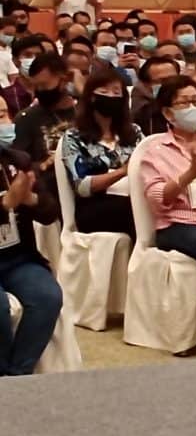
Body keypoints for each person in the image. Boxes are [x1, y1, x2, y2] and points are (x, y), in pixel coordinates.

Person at [140, 76, 196, 308]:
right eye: (184, 103)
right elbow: (157, 199)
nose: (193, 108)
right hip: (178, 224)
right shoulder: (155, 150)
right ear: (168, 113)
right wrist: (189, 174)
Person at [0, 98, 63, 376]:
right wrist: (5, 204)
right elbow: (7, 203)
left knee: (48, 297)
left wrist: (30, 199)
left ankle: (18, 375)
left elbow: (50, 213)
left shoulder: (17, 161)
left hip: (17, 258)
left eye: (4, 114)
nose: (3, 123)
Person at [61, 70, 142, 239]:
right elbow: (82, 187)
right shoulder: (74, 137)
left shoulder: (134, 132)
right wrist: (123, 171)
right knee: (134, 209)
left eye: (116, 92)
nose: (111, 96)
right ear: (91, 97)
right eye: (104, 91)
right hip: (96, 205)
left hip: (134, 194)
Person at [15, 54, 77, 195]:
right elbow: (18, 164)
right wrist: (45, 165)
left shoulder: (85, 112)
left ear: (64, 80)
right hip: (48, 190)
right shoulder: (27, 118)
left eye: (44, 85)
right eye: (36, 86)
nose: (39, 91)